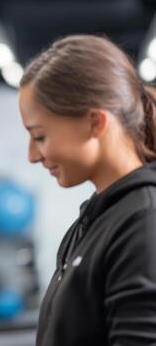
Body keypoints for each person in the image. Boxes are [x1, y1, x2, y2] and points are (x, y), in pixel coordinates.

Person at [18, 34, 156, 346]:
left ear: (95, 122)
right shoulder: (94, 220)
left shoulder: (144, 221)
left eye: (39, 136)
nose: (32, 155)